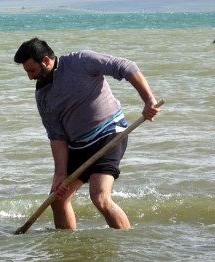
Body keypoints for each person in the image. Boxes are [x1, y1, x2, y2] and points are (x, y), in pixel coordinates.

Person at [13, 38, 160, 230]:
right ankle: (69, 253)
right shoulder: (42, 96)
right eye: (27, 72)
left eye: (32, 70)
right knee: (57, 200)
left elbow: (125, 66)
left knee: (100, 198)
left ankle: (126, 243)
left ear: (47, 60)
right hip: (78, 146)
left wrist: (148, 100)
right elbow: (57, 135)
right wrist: (60, 173)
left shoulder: (81, 61)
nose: (30, 77)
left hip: (109, 133)